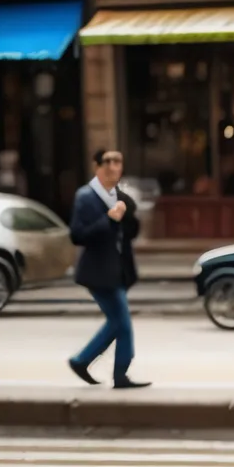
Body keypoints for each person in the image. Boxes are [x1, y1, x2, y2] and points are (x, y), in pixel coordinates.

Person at [67, 149, 149, 389]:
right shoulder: (85, 196)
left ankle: (81, 360)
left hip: (118, 271)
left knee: (116, 322)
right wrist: (109, 219)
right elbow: (77, 235)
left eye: (118, 161)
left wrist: (130, 217)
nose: (113, 166)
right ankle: (119, 374)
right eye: (108, 161)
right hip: (97, 272)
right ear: (97, 167)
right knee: (122, 323)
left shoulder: (121, 196)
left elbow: (129, 235)